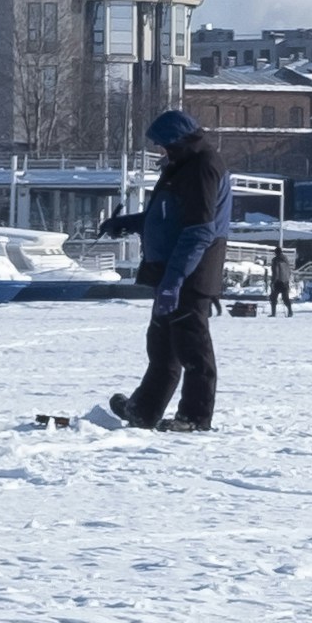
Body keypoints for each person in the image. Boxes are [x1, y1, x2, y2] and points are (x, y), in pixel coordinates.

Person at [102, 107, 229, 432]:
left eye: (164, 145)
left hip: (190, 273)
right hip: (170, 271)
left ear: (180, 141)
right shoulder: (180, 166)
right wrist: (126, 223)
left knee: (192, 347)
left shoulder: (203, 167)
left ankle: (195, 417)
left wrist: (175, 280)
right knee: (161, 345)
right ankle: (144, 410)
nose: (162, 151)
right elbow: (165, 216)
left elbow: (200, 229)